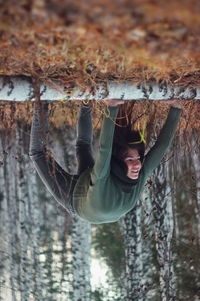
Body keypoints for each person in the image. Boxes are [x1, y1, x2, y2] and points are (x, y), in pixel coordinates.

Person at [29, 99, 182, 224]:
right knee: (83, 146)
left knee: (37, 154)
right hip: (103, 198)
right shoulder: (138, 176)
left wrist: (112, 107)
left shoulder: (101, 177)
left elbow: (105, 149)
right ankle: (87, 97)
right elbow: (161, 148)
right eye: (134, 159)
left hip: (77, 200)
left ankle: (41, 101)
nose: (137, 164)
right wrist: (176, 109)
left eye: (131, 159)